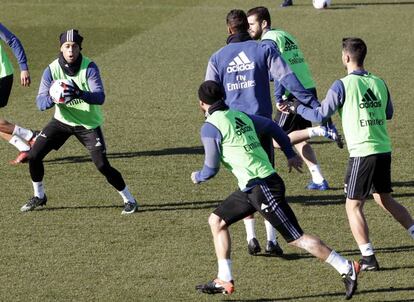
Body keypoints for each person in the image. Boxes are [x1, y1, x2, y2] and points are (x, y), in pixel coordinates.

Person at [192, 80, 359, 300]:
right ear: (222, 98)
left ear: (201, 103)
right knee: (217, 221)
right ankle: (225, 278)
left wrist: (198, 176)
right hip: (251, 187)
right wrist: (289, 153)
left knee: (296, 238)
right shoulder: (240, 115)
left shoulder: (210, 126)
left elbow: (211, 168)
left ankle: (346, 267)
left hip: (262, 187)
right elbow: (272, 126)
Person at [205, 9, 340, 256]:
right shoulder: (263, 49)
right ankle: (271, 240)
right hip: (262, 126)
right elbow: (288, 78)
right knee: (264, 179)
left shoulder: (217, 57)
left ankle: (251, 238)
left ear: (228, 30)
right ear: (248, 27)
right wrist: (312, 103)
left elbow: (210, 94)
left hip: (232, 129)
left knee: (245, 182)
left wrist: (213, 128)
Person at [292, 37, 414, 270]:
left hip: (362, 153)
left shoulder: (342, 85)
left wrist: (296, 107)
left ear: (346, 57)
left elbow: (319, 115)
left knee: (353, 206)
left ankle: (368, 258)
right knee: (384, 198)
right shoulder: (379, 81)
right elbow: (388, 113)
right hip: (383, 149)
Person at [20, 29, 138, 215]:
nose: (71, 50)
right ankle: (39, 196)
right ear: (60, 48)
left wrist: (78, 93)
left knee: (102, 165)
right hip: (61, 122)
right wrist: (54, 97)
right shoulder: (51, 70)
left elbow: (99, 97)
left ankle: (129, 199)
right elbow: (40, 103)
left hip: (88, 125)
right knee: (34, 156)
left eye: (74, 46)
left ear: (80, 47)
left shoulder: (89, 67)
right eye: (67, 46)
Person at [248, 6, 335, 191]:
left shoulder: (268, 41)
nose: (249, 29)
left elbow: (280, 71)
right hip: (307, 85)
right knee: (300, 138)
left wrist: (279, 97)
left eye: (252, 24)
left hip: (293, 92)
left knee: (276, 140)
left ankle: (321, 131)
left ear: (264, 23)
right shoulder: (283, 34)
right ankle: (319, 179)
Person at [0, 23, 37, 164]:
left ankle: (31, 135)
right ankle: (24, 148)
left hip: (2, 76)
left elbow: (13, 40)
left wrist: (23, 67)